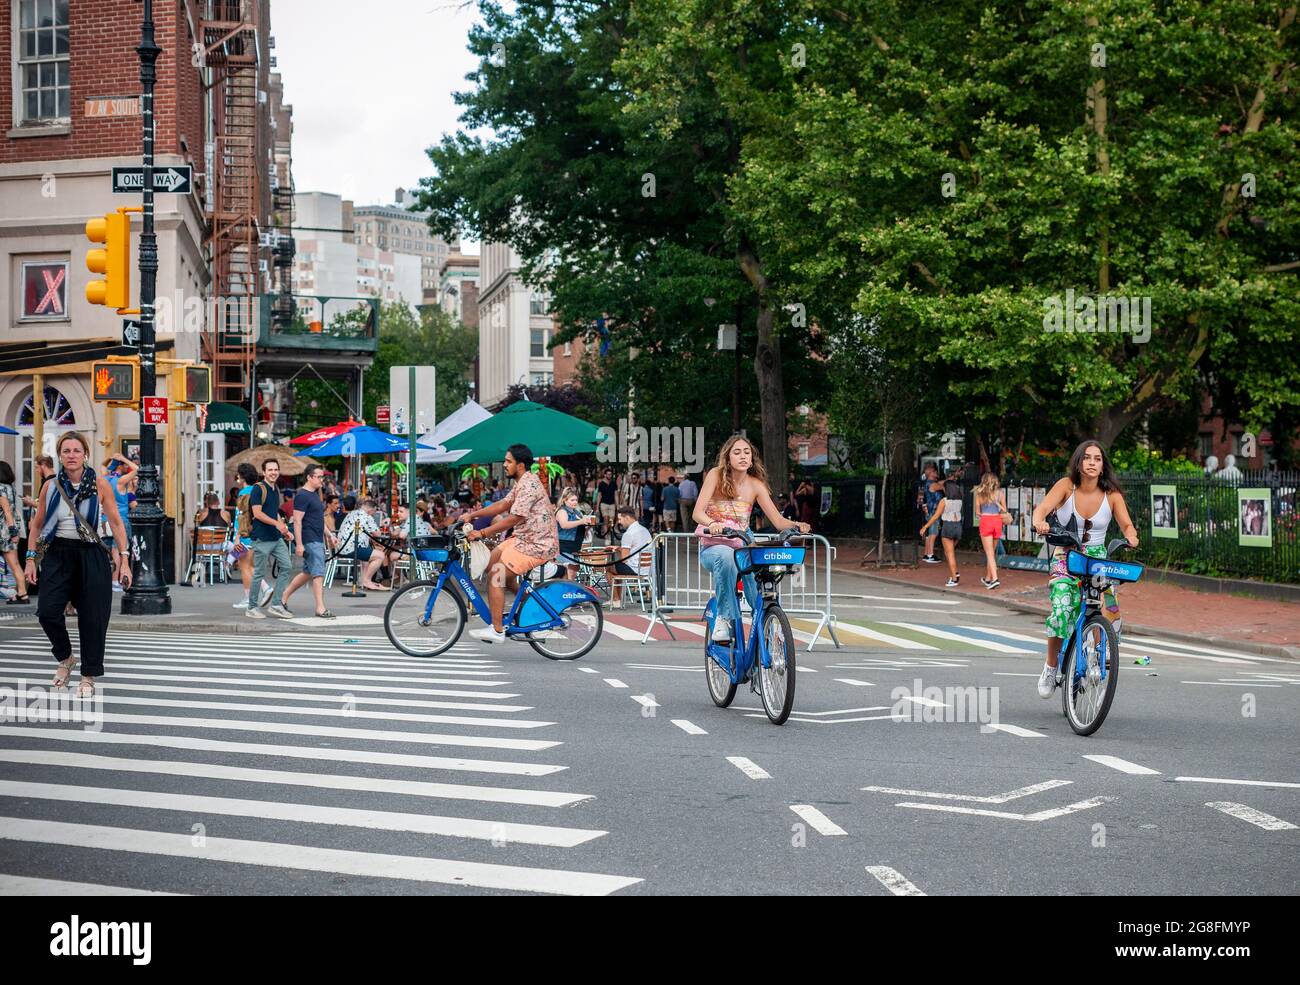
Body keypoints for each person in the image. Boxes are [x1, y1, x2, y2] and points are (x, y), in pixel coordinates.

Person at [23, 431, 132, 697]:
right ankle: (66, 657)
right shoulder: (50, 486)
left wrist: (124, 559)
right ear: (60, 456)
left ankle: (88, 676)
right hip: (58, 552)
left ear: (85, 454)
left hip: (91, 553)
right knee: (47, 612)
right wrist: (30, 559)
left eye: (76, 450)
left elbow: (116, 522)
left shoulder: (99, 483)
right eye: (66, 451)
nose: (71, 455)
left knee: (93, 617)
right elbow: (37, 525)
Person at [1030, 440, 1139, 700]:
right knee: (1062, 609)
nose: (1092, 462)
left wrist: (1132, 538)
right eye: (1087, 457)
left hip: (1098, 559)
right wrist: (1039, 521)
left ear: (1103, 466)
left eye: (1097, 459)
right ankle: (1050, 666)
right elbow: (1042, 509)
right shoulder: (1065, 486)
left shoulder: (1112, 495)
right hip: (1067, 556)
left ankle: (1095, 660)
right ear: (1078, 463)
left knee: (1106, 608)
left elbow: (1127, 526)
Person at [693, 436, 810, 643]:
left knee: (761, 576)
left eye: (746, 452)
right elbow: (697, 512)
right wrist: (712, 524)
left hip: (742, 543)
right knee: (726, 557)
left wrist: (797, 526)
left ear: (752, 457)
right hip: (714, 545)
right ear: (728, 457)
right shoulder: (716, 475)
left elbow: (777, 520)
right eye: (737, 452)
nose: (743, 456)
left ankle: (766, 621)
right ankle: (724, 618)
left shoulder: (756, 484)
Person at [451, 444, 558, 643]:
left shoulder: (529, 485)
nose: (505, 464)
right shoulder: (521, 483)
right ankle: (532, 609)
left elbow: (512, 519)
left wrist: (481, 532)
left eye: (509, 461)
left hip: (537, 544)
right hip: (523, 539)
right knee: (491, 564)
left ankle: (497, 629)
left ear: (521, 465)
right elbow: (502, 505)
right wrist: (471, 515)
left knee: (496, 574)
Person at [282, 465, 336, 618]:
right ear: (309, 477)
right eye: (318, 477)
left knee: (307, 572)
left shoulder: (314, 494)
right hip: (310, 539)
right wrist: (299, 544)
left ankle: (282, 598)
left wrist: (330, 534)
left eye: (322, 477)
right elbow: (297, 521)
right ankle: (320, 608)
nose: (322, 480)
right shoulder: (303, 495)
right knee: (318, 573)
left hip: (316, 538)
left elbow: (318, 519)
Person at [246, 458, 293, 620]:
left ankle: (276, 604)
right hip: (262, 537)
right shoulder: (258, 489)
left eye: (275, 469)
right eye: (270, 470)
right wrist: (277, 524)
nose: (273, 472)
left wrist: (284, 529)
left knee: (286, 566)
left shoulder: (275, 489)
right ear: (264, 472)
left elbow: (275, 513)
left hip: (276, 536)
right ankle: (251, 607)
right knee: (259, 573)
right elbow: (257, 514)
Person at [231, 462, 272, 610]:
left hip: (245, 534)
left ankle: (251, 596)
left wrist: (237, 537)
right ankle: (264, 589)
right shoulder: (259, 490)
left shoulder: (244, 493)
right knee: (251, 566)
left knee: (245, 567)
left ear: (242, 477)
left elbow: (240, 516)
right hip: (257, 533)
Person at [919, 469, 964, 587]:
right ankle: (955, 573)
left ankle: (954, 577)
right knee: (950, 552)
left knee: (950, 554)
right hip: (958, 526)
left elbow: (935, 516)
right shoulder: (959, 500)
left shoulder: (944, 501)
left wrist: (925, 527)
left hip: (948, 526)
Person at [974, 472, 1012, 589]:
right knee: (992, 551)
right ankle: (988, 578)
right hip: (997, 521)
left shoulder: (979, 494)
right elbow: (1004, 510)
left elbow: (978, 513)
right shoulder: (1000, 494)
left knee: (989, 553)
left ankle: (995, 579)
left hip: (986, 521)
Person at [609, 505, 652, 607]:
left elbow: (624, 559)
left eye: (620, 519)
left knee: (609, 567)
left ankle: (616, 600)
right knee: (616, 568)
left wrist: (619, 551)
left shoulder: (628, 534)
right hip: (647, 568)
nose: (619, 522)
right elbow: (636, 549)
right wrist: (619, 548)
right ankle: (618, 599)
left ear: (627, 518)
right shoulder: (644, 530)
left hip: (634, 568)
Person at [0, 461, 29, 604]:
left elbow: (6, 511)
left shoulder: (0, 488)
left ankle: (22, 594)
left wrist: (12, 531)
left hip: (3, 531)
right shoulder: (10, 488)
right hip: (9, 529)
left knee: (14, 564)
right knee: (15, 563)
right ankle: (22, 593)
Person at [338, 498, 383, 589]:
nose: (374, 513)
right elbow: (378, 534)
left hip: (341, 547)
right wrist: (382, 524)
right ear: (371, 509)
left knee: (368, 555)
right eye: (374, 511)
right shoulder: (367, 517)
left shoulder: (352, 513)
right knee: (380, 555)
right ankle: (367, 581)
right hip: (351, 548)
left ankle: (362, 580)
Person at [555, 486, 597, 579]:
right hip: (563, 547)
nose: (575, 502)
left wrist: (587, 527)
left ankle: (568, 592)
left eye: (576, 500)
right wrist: (581, 521)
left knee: (572, 573)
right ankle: (566, 592)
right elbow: (564, 525)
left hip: (574, 548)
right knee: (568, 573)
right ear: (565, 500)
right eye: (572, 500)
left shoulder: (576, 512)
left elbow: (577, 528)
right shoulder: (562, 511)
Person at [916, 463, 943, 563]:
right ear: (931, 473)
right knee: (933, 533)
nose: (937, 473)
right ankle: (930, 555)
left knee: (929, 534)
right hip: (933, 511)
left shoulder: (926, 483)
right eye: (935, 471)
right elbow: (941, 485)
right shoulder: (932, 484)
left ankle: (926, 554)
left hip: (928, 511)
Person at [596, 468, 619, 540]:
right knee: (605, 519)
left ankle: (610, 533)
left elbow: (616, 495)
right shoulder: (601, 484)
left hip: (612, 504)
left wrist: (617, 505)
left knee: (611, 521)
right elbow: (599, 495)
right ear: (605, 475)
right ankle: (607, 537)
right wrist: (597, 507)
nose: (610, 475)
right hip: (604, 504)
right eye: (608, 474)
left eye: (610, 474)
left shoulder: (613, 483)